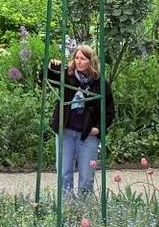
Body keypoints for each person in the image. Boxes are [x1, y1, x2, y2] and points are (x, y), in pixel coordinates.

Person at [45, 44, 112, 195]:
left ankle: (85, 213)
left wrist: (99, 129)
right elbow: (46, 77)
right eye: (76, 58)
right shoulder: (67, 76)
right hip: (66, 132)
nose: (79, 62)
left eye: (83, 58)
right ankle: (67, 210)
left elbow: (109, 111)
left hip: (87, 135)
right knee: (64, 174)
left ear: (91, 61)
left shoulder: (100, 84)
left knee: (86, 178)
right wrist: (51, 66)